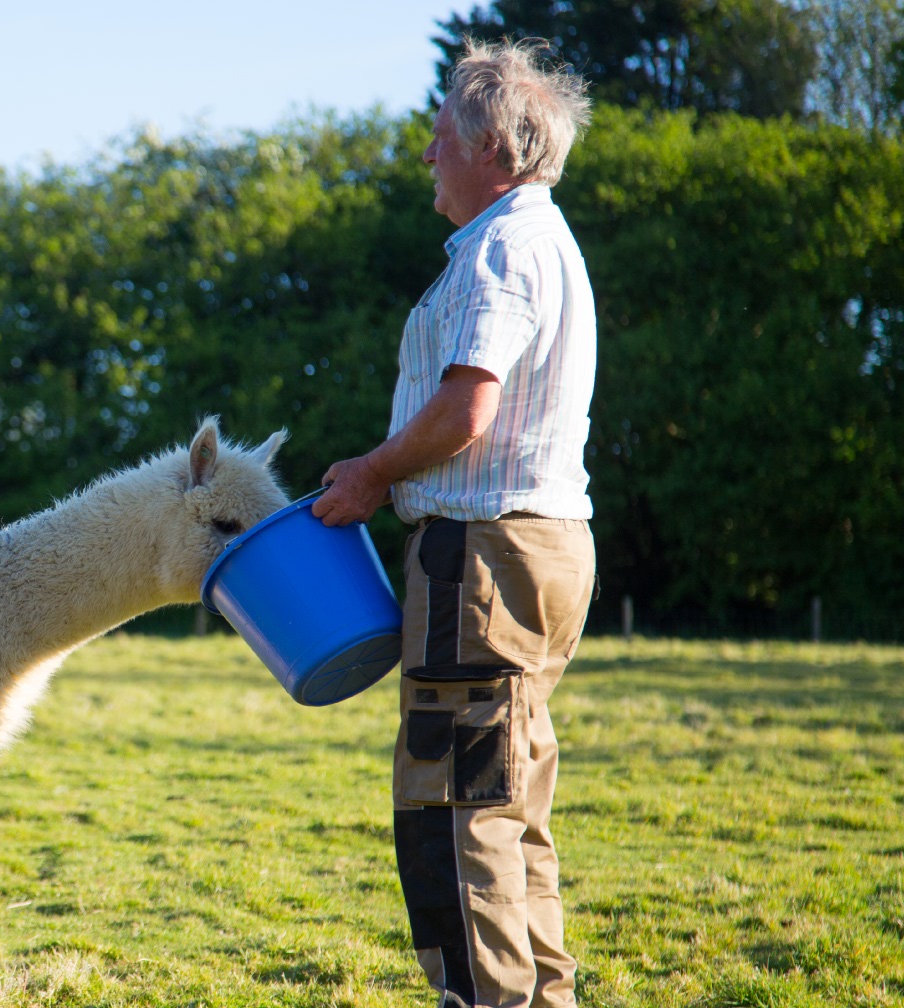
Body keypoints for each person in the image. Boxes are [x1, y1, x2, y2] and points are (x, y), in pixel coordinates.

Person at [311, 38, 597, 1008]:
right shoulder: (540, 241)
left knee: (453, 808)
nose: (427, 156)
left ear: (492, 150)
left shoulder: (500, 251)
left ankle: (485, 1000)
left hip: (480, 556)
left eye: (440, 139)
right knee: (509, 806)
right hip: (536, 548)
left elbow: (464, 409)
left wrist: (370, 474)